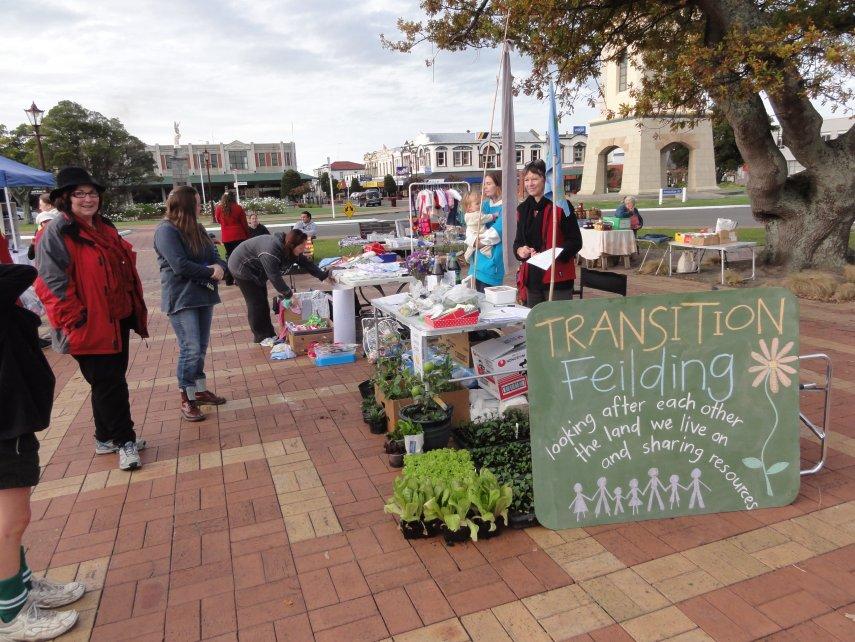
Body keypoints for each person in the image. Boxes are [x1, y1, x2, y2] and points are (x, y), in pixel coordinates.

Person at [35, 167, 149, 471]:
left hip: (116, 318)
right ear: (64, 198)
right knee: (110, 384)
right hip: (88, 324)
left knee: (106, 383)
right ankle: (125, 440)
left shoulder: (104, 227)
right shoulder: (57, 233)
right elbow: (50, 284)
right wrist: (77, 320)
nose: (88, 199)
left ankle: (105, 437)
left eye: (92, 193)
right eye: (80, 194)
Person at [0, 264, 84, 640]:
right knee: (10, 522)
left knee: (11, 519)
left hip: (11, 417)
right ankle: (11, 614)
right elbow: (21, 272)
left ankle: (21, 585)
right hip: (5, 422)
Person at [154, 186, 228, 423]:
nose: (201, 206)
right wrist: (210, 271)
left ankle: (199, 389)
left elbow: (214, 253)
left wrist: (220, 267)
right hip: (182, 297)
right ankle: (187, 397)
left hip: (203, 295)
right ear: (186, 205)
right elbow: (179, 265)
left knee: (201, 346)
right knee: (191, 348)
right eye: (197, 202)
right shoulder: (166, 231)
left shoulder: (197, 227)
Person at [228, 229, 329, 345]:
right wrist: (289, 295)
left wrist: (323, 276)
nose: (304, 249)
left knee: (262, 300)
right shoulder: (271, 251)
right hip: (241, 267)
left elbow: (306, 263)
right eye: (302, 246)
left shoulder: (290, 247)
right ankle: (261, 337)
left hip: (257, 269)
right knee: (256, 302)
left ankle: (269, 334)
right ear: (292, 245)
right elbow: (274, 276)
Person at [513, 159, 583, 306]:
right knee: (533, 322)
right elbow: (518, 242)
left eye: (534, 179)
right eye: (526, 180)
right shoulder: (523, 209)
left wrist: (552, 254)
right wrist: (520, 250)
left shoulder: (561, 206)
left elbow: (575, 242)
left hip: (556, 277)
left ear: (546, 180)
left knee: (556, 324)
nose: (530, 184)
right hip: (531, 277)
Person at [473, 171, 505, 291]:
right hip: (476, 261)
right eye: (484, 184)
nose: (484, 187)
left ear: (498, 185)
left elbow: (498, 231)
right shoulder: (483, 205)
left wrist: (478, 242)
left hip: (492, 262)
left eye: (488, 183)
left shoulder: (506, 207)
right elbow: (471, 220)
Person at [214, 191, 249, 284]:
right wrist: (248, 235)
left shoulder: (219, 208)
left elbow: (218, 220)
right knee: (240, 258)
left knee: (229, 257)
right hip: (239, 235)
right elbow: (244, 223)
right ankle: (239, 280)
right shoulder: (238, 208)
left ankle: (229, 279)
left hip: (226, 237)